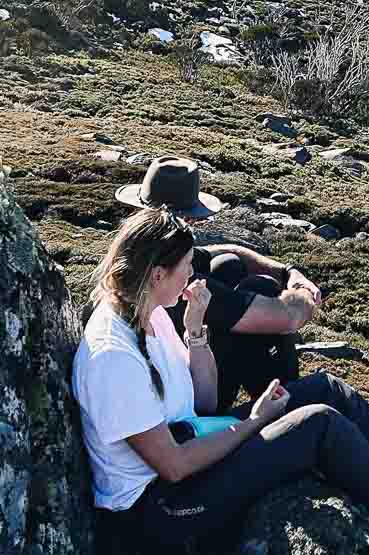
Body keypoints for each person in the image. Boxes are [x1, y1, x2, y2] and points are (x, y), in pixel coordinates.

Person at [72, 204, 369, 551]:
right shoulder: (114, 355)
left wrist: (195, 331)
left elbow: (204, 405)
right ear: (156, 274)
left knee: (327, 388)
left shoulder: (152, 316)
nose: (193, 273)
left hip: (189, 447)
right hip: (159, 510)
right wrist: (252, 423)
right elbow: (173, 465)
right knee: (318, 425)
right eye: (186, 267)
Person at [117, 156, 319, 407]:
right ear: (187, 219)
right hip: (198, 402)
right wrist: (304, 290)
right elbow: (288, 317)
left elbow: (227, 250)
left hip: (180, 375)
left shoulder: (140, 257)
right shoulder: (182, 283)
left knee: (228, 263)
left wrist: (288, 271)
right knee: (260, 289)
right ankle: (286, 405)